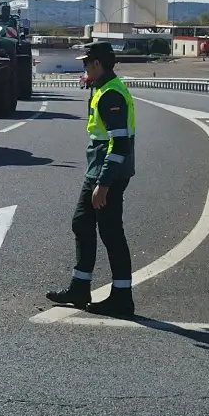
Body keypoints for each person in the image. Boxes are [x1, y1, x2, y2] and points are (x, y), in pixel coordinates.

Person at [46, 41, 137, 317]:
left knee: (111, 232)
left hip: (109, 173)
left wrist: (104, 184)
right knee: (82, 223)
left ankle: (122, 297)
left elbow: (119, 143)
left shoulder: (111, 95)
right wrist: (91, 83)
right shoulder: (103, 88)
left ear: (98, 64)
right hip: (97, 170)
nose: (84, 68)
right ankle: (79, 288)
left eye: (87, 63)